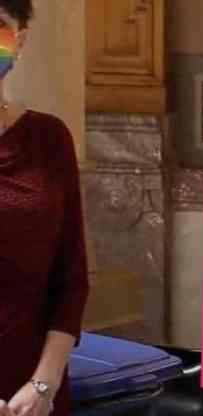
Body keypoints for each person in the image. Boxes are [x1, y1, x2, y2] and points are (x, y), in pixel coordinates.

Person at [0, 1, 89, 416]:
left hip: (35, 398)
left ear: (19, 39)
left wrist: (44, 385)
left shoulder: (50, 140)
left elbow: (70, 281)